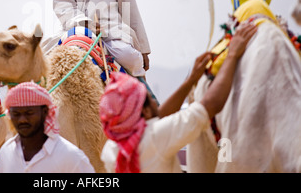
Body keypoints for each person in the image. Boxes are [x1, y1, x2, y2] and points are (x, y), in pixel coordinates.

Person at [99, 22, 258, 173]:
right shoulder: (157, 138)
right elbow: (211, 105)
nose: (156, 101)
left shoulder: (112, 150)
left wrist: (190, 81)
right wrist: (232, 55)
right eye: (150, 98)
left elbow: (160, 116)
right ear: (146, 112)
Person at [0, 82, 95, 173]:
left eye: (29, 113)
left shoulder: (70, 156)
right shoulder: (8, 151)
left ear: (45, 112)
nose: (22, 119)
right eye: (16, 114)